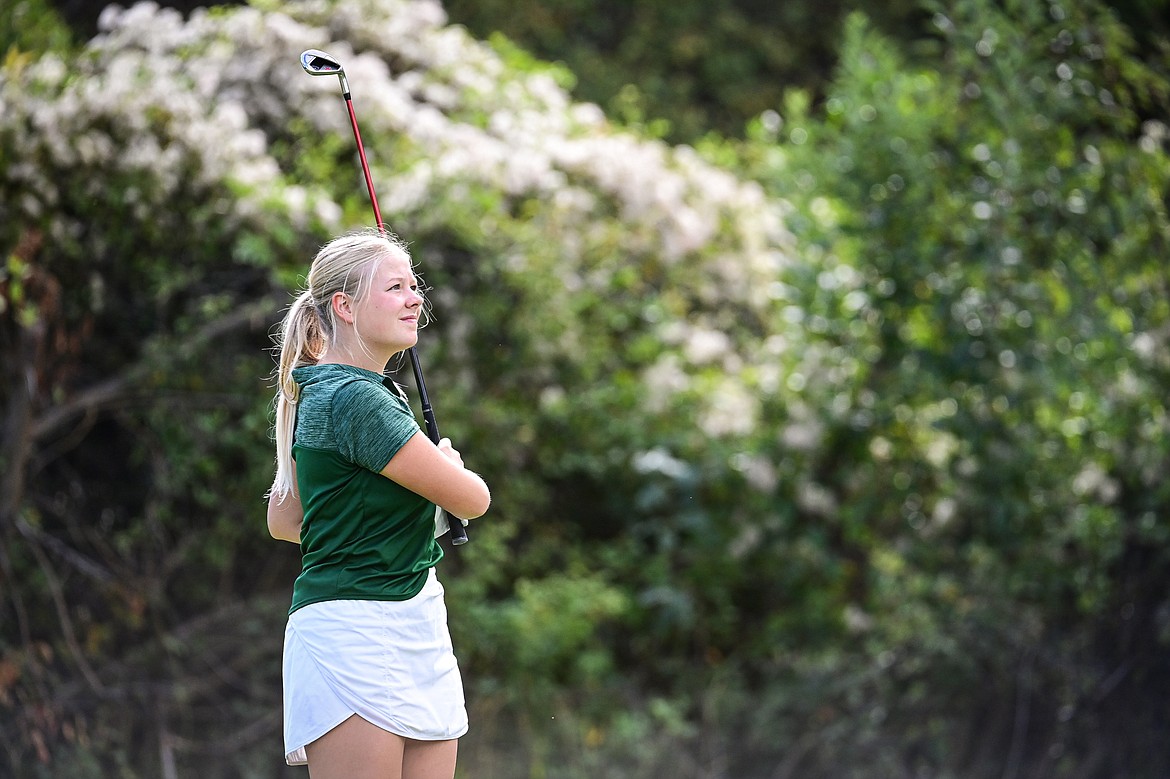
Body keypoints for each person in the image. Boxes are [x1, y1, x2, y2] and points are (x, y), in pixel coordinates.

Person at [265, 228, 490, 779]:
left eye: (414, 286)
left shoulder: (334, 390)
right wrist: (451, 469)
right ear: (344, 305)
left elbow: (286, 520)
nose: (416, 297)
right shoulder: (357, 398)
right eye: (395, 287)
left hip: (416, 617)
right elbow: (474, 499)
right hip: (353, 634)